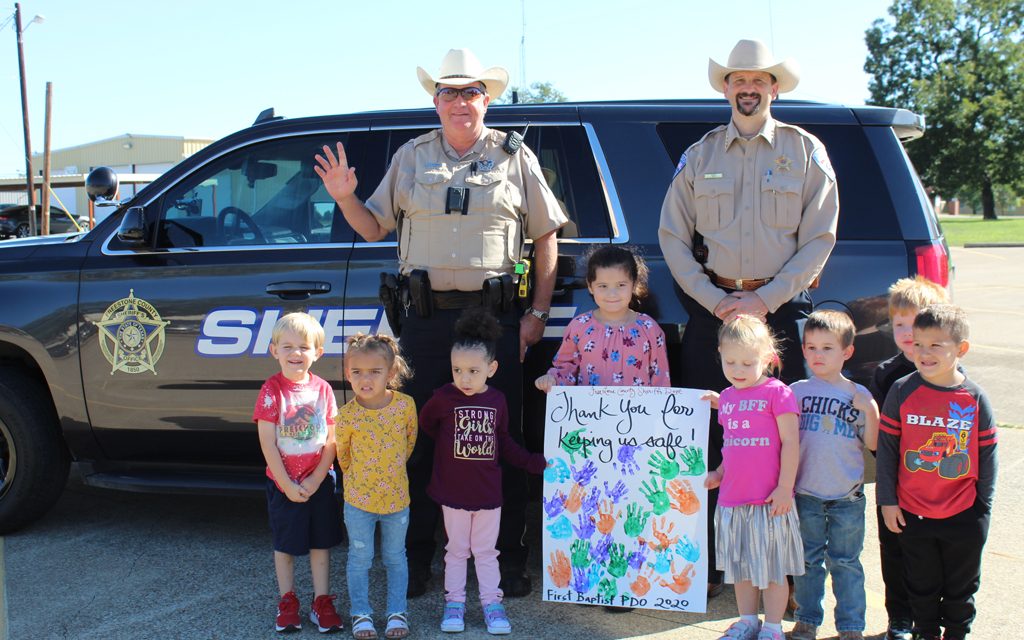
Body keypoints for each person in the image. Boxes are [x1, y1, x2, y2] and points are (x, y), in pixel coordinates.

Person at [314, 47, 568, 598]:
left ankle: (507, 561)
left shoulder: (514, 157)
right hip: (425, 322)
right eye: (450, 92)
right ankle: (419, 558)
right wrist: (344, 197)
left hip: (494, 320)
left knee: (499, 438)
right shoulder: (410, 157)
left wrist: (537, 314)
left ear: (485, 99)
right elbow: (373, 228)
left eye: (471, 91)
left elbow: (547, 234)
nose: (460, 101)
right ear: (435, 102)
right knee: (423, 438)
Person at [658, 38, 838, 598]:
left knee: (781, 439)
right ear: (727, 88)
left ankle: (778, 570)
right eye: (738, 79)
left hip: (779, 311)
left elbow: (819, 238)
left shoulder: (805, 151)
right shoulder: (701, 154)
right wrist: (714, 300)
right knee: (713, 436)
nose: (748, 88)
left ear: (774, 87)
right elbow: (672, 235)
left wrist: (769, 299)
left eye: (758, 80)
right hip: (714, 310)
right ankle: (715, 567)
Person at [534, 244, 669, 613]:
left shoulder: (649, 330)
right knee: (591, 513)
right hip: (591, 443)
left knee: (628, 511)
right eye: (604, 286)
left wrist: (660, 431)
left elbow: (661, 384)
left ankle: (623, 585)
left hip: (634, 442)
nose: (612, 294)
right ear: (590, 287)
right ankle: (589, 582)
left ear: (635, 287)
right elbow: (564, 368)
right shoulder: (579, 327)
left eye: (620, 285)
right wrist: (551, 380)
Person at [418, 308, 548, 635]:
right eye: (457, 370)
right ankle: (455, 604)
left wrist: (533, 462)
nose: (464, 378)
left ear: (491, 369)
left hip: (489, 495)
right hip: (452, 493)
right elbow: (428, 424)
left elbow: (503, 442)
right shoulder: (443, 398)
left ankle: (492, 603)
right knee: (456, 551)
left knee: (487, 552)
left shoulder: (498, 401)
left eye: (473, 371)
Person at [877, 305, 997, 640]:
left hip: (963, 514)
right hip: (914, 513)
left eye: (936, 345)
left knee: (961, 590)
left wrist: (981, 507)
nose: (924, 353)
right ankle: (925, 633)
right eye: (919, 344)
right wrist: (888, 501)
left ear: (961, 349)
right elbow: (887, 452)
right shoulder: (902, 390)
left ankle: (957, 634)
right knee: (921, 587)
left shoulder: (974, 398)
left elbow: (988, 457)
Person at [701, 315, 803, 640]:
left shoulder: (779, 393)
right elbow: (732, 447)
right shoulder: (728, 398)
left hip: (770, 499)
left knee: (773, 571)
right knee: (741, 570)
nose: (738, 369)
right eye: (730, 361)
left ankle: (773, 626)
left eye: (748, 362)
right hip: (733, 499)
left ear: (768, 358)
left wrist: (786, 487)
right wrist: (718, 473)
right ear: (720, 353)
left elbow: (790, 442)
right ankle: (747, 620)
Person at [788, 310, 879, 640]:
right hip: (806, 493)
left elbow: (872, 444)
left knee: (846, 564)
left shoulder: (858, 395)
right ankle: (807, 620)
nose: (817, 355)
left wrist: (869, 409)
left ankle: (851, 627)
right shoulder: (795, 392)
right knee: (808, 563)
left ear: (847, 352)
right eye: (811, 347)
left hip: (846, 497)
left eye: (827, 348)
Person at [868, 275, 950, 640]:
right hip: (895, 483)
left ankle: (928, 620)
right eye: (898, 323)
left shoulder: (947, 375)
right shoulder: (886, 374)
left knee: (932, 556)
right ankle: (899, 619)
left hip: (936, 484)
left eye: (914, 323)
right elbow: (876, 439)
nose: (905, 331)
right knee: (895, 552)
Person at [253, 312, 344, 634]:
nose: (295, 354)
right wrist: (286, 483)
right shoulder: (271, 390)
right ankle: (288, 601)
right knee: (286, 546)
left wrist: (318, 477)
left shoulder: (323, 390)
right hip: (284, 484)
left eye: (304, 347)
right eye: (287, 346)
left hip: (319, 481)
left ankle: (322, 602)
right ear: (273, 350)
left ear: (318, 352)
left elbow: (332, 439)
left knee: (321, 545)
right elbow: (267, 441)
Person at [335, 334, 417, 639]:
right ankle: (361, 614)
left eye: (374, 372)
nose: (365, 379)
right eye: (357, 372)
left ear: (391, 373)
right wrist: (362, 482)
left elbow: (409, 443)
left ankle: (397, 612)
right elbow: (342, 456)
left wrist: (389, 474)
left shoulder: (405, 407)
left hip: (397, 501)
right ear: (347, 374)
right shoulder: (345, 416)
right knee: (360, 559)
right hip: (358, 503)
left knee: (396, 557)